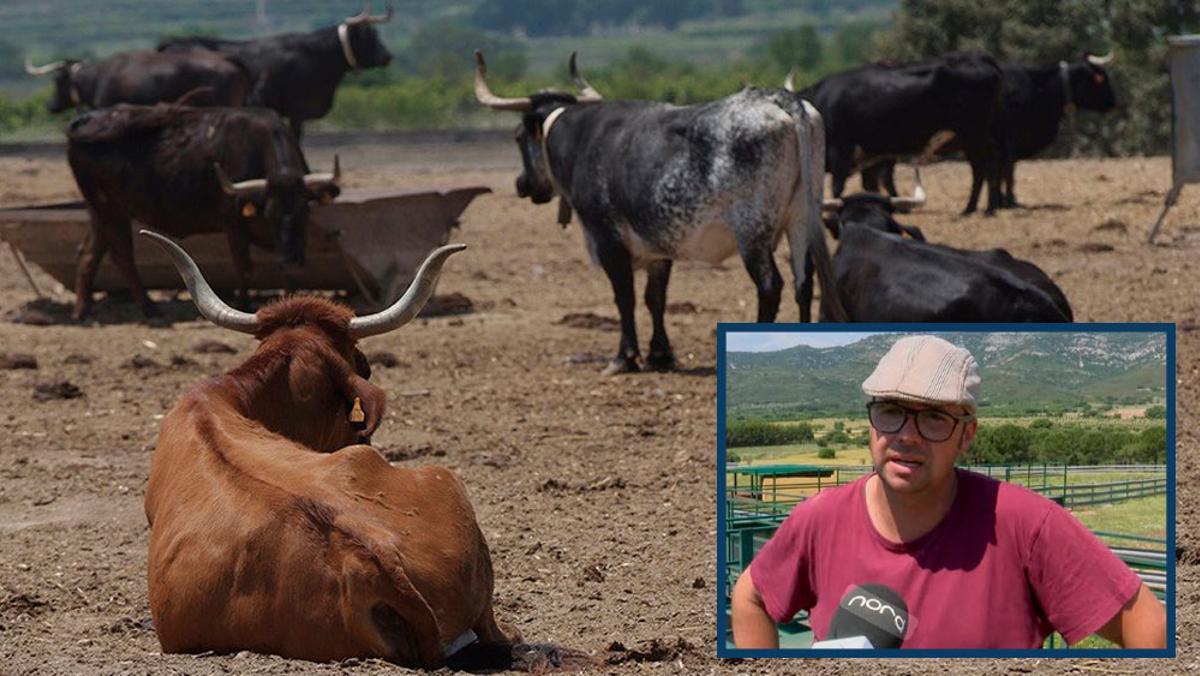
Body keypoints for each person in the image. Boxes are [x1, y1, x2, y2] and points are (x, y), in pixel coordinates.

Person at [731, 334, 1167, 649]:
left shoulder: (1026, 525)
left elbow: (1148, 625)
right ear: (870, 421)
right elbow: (751, 597)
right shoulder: (819, 518)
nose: (907, 435)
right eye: (891, 411)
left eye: (934, 418)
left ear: (966, 435)